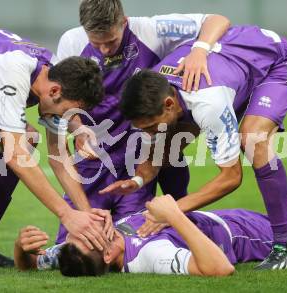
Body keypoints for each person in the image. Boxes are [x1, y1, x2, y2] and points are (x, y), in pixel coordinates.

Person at [104, 25, 287, 270]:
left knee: (253, 139)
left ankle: (285, 246)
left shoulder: (207, 103)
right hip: (234, 68)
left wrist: (173, 211)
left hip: (277, 62)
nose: (149, 133)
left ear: (170, 105)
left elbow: (231, 178)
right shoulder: (154, 88)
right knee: (168, 142)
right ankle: (188, 227)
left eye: (150, 126)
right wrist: (136, 181)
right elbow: (154, 154)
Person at [0, 24, 110, 277]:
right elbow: (17, 157)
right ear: (55, 91)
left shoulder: (55, 74)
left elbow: (59, 158)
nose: (62, 119)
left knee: (27, 138)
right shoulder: (13, 69)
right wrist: (65, 214)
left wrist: (85, 213)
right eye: (64, 113)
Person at [53, 0, 232, 243]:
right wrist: (79, 128)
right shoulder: (71, 42)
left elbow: (217, 20)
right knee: (76, 243)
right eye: (97, 43)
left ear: (123, 23)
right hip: (94, 156)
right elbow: (61, 102)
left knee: (133, 240)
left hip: (140, 153)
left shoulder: (152, 30)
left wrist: (200, 50)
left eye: (111, 41)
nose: (104, 50)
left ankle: (192, 227)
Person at [14, 194, 287, 276]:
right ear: (107, 256)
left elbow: (32, 264)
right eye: (90, 236)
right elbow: (219, 269)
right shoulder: (148, 258)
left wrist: (21, 249)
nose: (86, 228)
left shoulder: (75, 250)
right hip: (243, 236)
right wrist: (175, 215)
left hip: (219, 217)